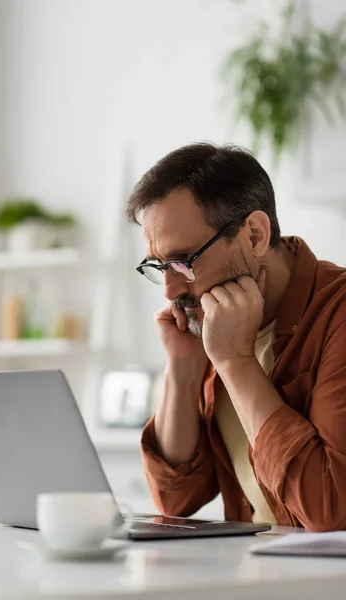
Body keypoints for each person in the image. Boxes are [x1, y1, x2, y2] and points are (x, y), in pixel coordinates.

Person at [126, 143, 346, 532]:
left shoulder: (337, 315)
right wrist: (183, 368)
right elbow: (174, 499)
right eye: (159, 267)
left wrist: (235, 362)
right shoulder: (211, 319)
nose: (171, 290)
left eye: (183, 262)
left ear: (255, 236)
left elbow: (330, 511)